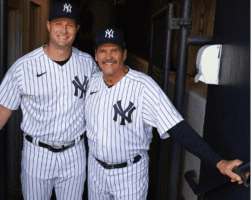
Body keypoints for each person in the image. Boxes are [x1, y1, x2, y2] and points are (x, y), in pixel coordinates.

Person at [0, 2, 98, 200]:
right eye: (58, 23)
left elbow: (102, 101)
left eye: (70, 25)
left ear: (77, 29)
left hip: (74, 152)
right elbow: (3, 108)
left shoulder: (88, 64)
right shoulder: (24, 66)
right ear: (49, 26)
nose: (64, 30)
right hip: (38, 154)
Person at [85, 27, 247, 200]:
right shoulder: (93, 81)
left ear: (124, 54)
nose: (108, 57)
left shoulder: (143, 86)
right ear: (96, 55)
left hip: (128, 174)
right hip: (95, 171)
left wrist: (219, 162)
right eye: (103, 51)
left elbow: (178, 128)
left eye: (114, 51)